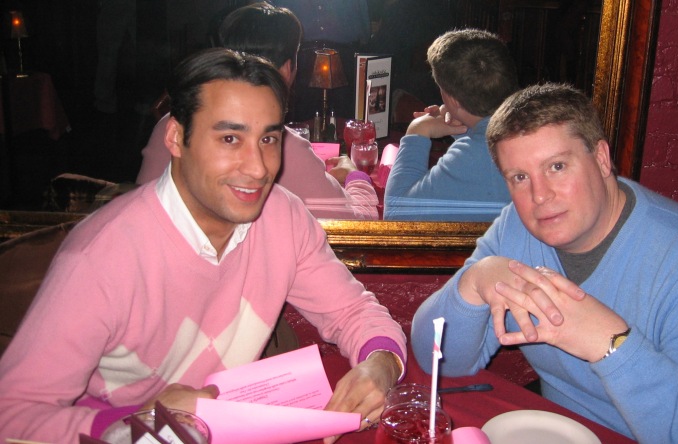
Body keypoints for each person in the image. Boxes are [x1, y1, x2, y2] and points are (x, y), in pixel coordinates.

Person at [0, 49, 406, 444]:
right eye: (230, 138)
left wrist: (381, 366)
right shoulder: (98, 258)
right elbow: (12, 417)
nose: (259, 168)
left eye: (268, 138)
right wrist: (142, 421)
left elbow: (353, 311)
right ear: (176, 137)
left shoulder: (282, 216)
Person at [412, 83, 678, 442]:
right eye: (520, 177)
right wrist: (474, 280)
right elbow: (438, 361)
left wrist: (610, 344)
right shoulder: (515, 229)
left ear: (602, 158)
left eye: (557, 166)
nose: (539, 196)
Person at [136, 2, 380, 220]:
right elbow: (360, 225)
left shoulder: (167, 126)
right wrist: (356, 177)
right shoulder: (282, 147)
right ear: (287, 69)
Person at [384, 29, 518, 222]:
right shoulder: (530, 123)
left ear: (453, 100)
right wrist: (465, 128)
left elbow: (396, 216)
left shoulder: (477, 154)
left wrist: (417, 131)